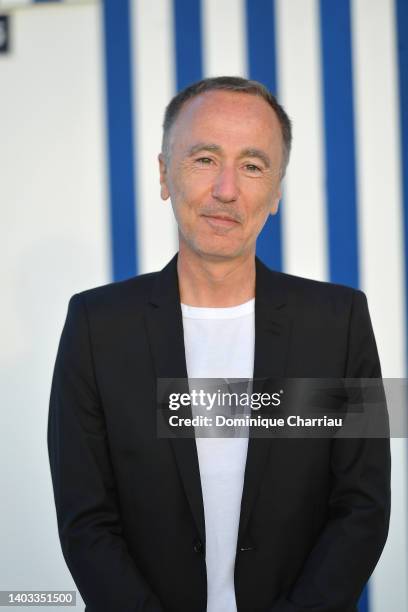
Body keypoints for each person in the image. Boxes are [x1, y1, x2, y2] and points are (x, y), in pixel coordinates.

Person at [48, 76, 391, 612]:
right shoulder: (96, 326)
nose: (226, 189)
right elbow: (86, 518)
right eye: (205, 158)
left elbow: (361, 507)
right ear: (164, 174)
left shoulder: (339, 322)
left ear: (276, 192)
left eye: (252, 166)